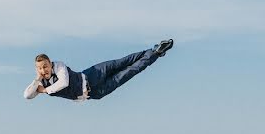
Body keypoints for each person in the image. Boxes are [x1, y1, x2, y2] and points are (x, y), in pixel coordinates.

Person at [23, 41, 173, 102]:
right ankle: (156, 54)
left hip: (91, 74)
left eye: (45, 66)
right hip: (94, 92)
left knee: (122, 62)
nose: (44, 70)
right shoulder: (40, 82)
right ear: (37, 69)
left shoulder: (59, 66)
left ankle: (152, 51)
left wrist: (45, 91)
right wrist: (37, 81)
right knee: (128, 72)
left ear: (50, 63)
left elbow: (64, 82)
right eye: (40, 68)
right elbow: (27, 95)